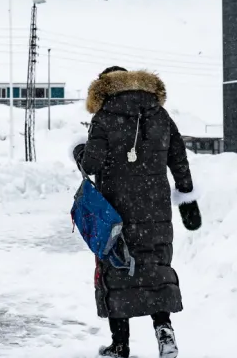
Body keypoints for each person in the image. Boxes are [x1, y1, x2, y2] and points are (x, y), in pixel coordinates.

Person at [72, 66, 202, 358]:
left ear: (104, 87)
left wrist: (78, 151)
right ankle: (164, 332)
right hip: (155, 206)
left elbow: (91, 165)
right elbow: (179, 158)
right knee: (154, 268)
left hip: (115, 207)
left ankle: (120, 345)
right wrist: (188, 200)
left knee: (118, 267)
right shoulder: (160, 115)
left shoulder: (103, 118)